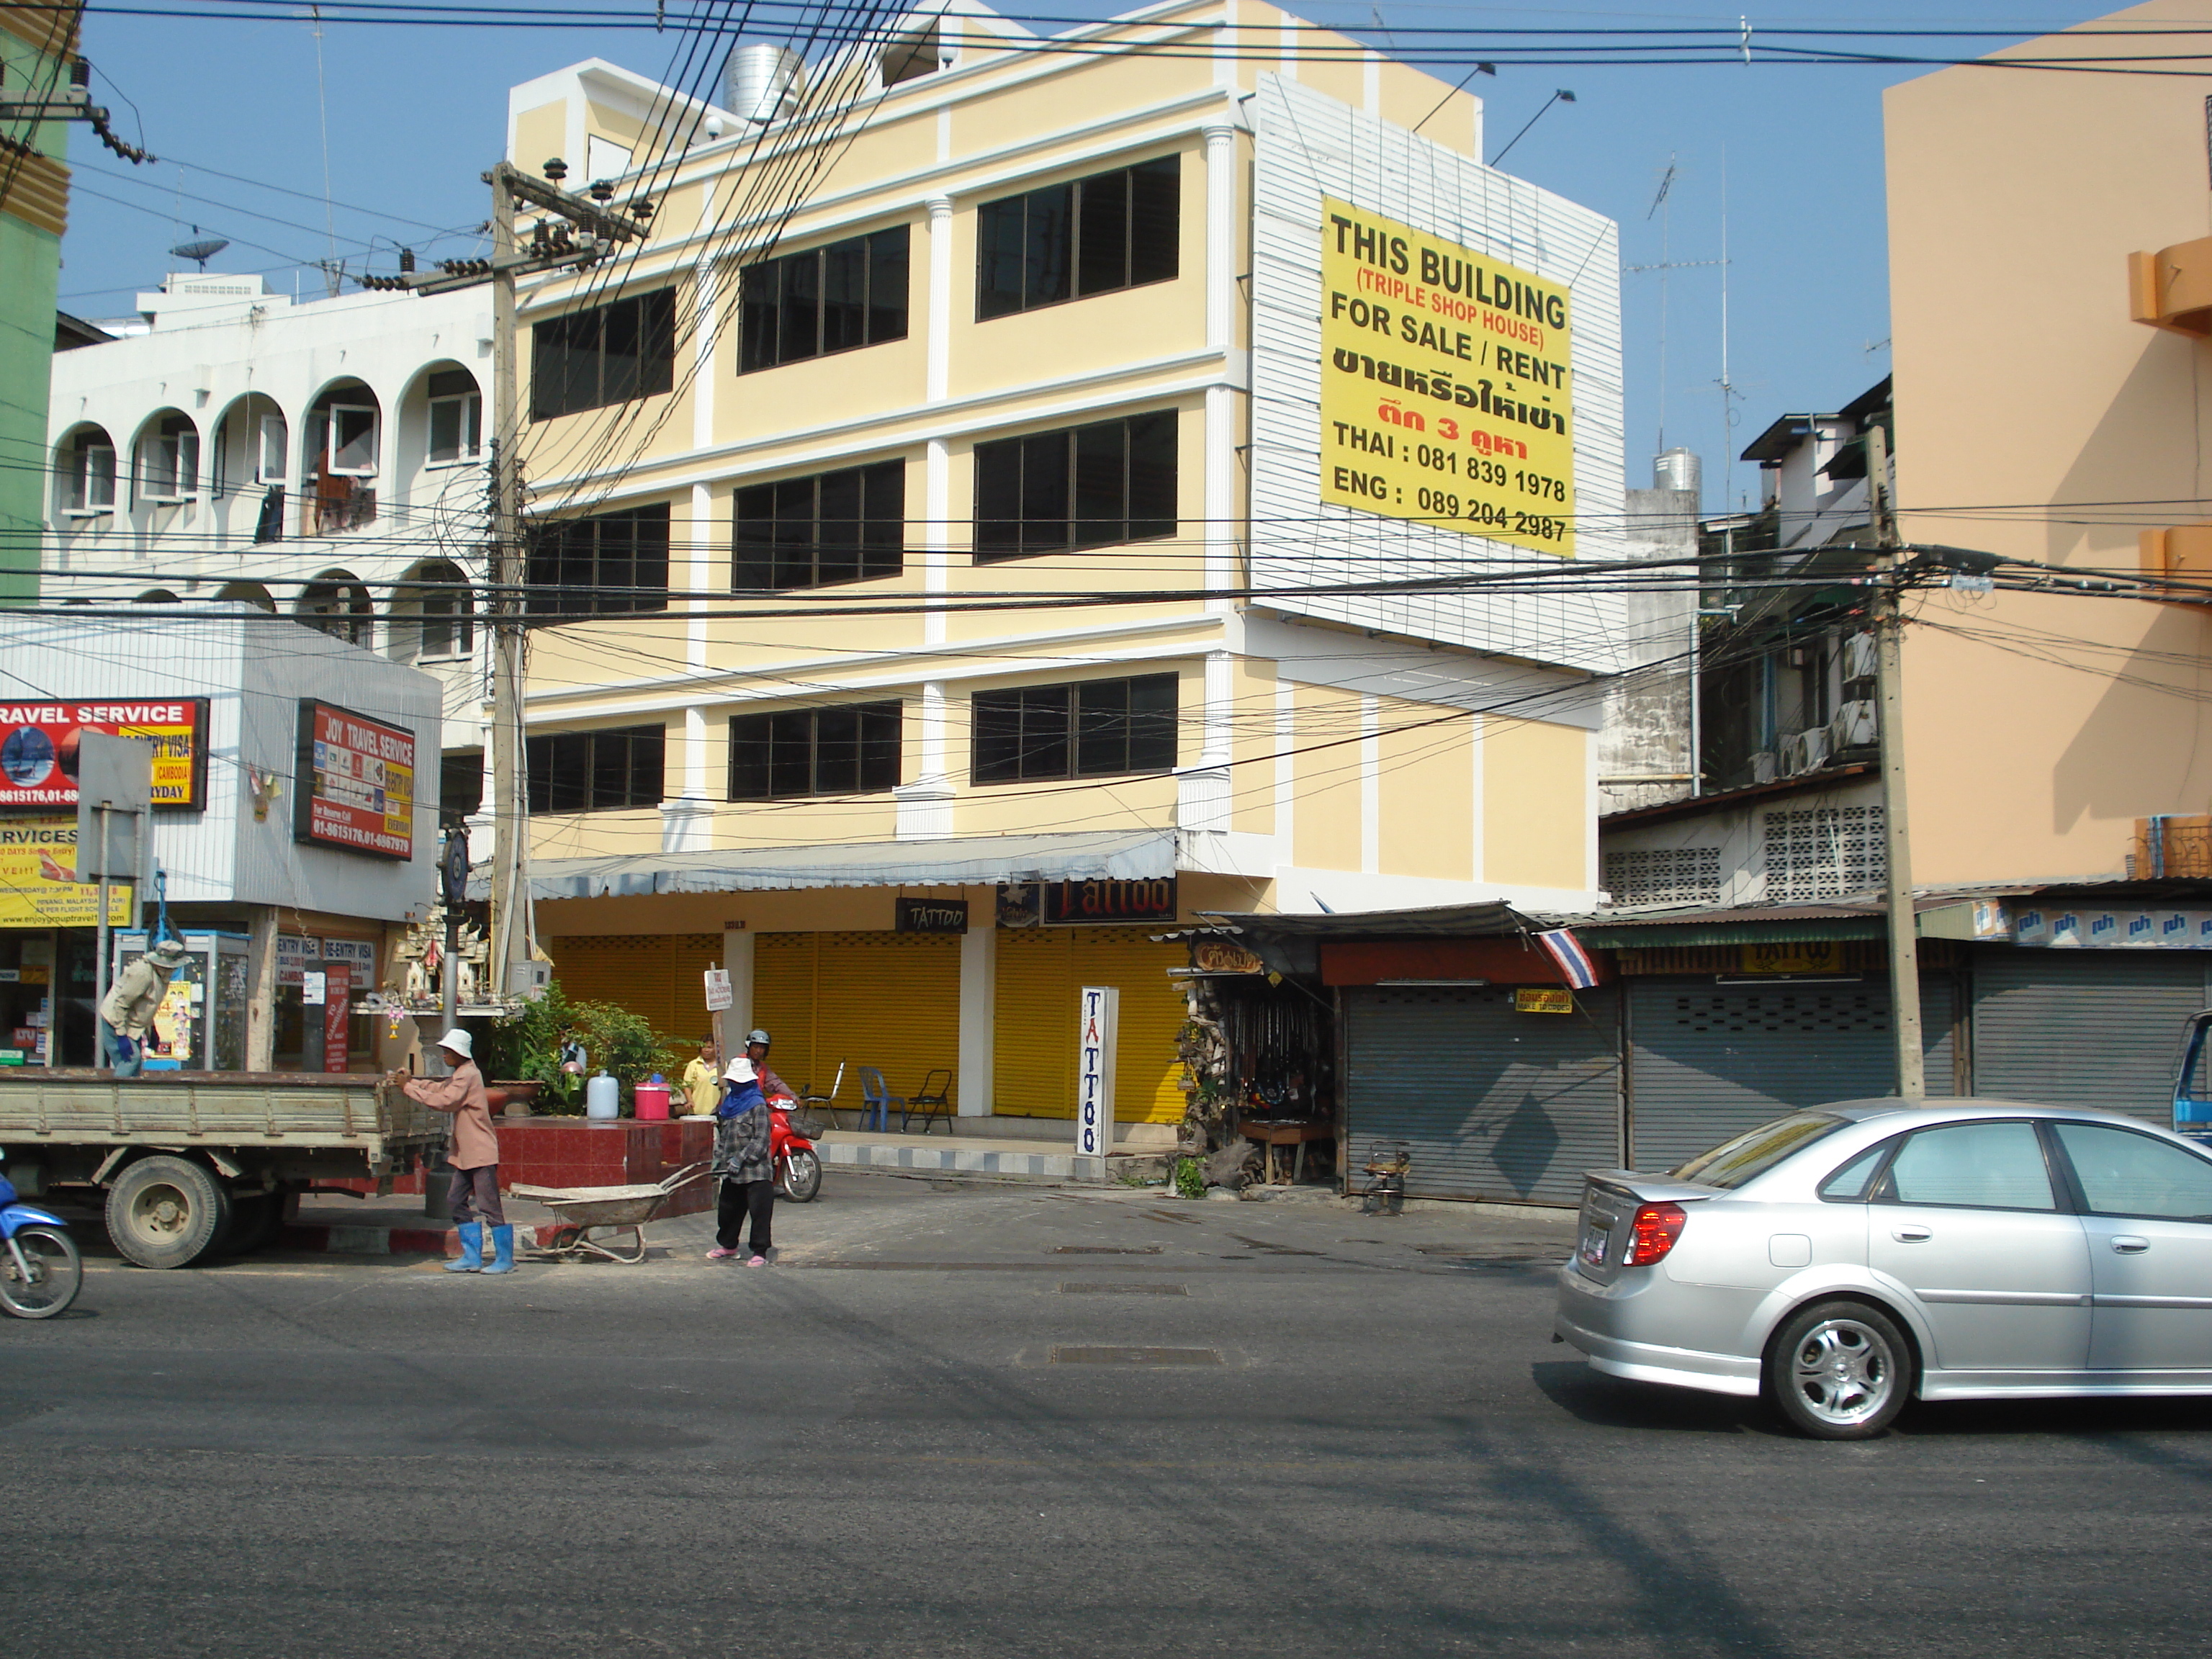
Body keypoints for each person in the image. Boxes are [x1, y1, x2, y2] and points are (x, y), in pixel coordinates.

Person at [392, 1028, 514, 1274]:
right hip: (466, 1154)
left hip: (480, 1152)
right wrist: (412, 1081)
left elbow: (446, 1101)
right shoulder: (461, 1074)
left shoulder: (468, 1075)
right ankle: (471, 1256)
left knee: (489, 1204)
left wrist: (408, 1089)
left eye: (448, 1052)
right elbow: (440, 1089)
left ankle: (505, 1259)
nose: (445, 1055)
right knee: (455, 1200)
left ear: (459, 1053)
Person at [708, 1053, 774, 1264]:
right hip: (732, 1171)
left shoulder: (758, 1105)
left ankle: (759, 1252)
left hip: (755, 1170)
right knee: (728, 1209)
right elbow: (723, 1137)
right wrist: (719, 1160)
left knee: (759, 1213)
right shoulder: (728, 1105)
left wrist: (741, 1158)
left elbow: (762, 1139)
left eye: (739, 1081)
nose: (735, 1085)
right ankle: (729, 1246)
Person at [98, 935, 189, 1079]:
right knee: (130, 1060)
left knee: (135, 1065)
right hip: (116, 1020)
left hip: (133, 1025)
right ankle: (115, 1096)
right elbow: (121, 1004)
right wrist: (121, 1035)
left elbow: (146, 1006)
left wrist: (151, 1031)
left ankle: (128, 1097)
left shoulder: (160, 977)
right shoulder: (143, 974)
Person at [742, 1028, 795, 1105]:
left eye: (762, 1048)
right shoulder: (739, 1062)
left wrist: (792, 1097)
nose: (758, 1051)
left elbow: (776, 1083)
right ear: (749, 1047)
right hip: (739, 1106)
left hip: (755, 1104)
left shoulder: (763, 1068)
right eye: (755, 1047)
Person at [680, 1037, 720, 1118]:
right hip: (696, 1111)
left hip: (715, 1112)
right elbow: (687, 1086)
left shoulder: (722, 1066)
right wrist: (690, 1101)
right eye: (704, 1047)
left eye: (709, 1047)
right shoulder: (693, 1064)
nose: (706, 1050)